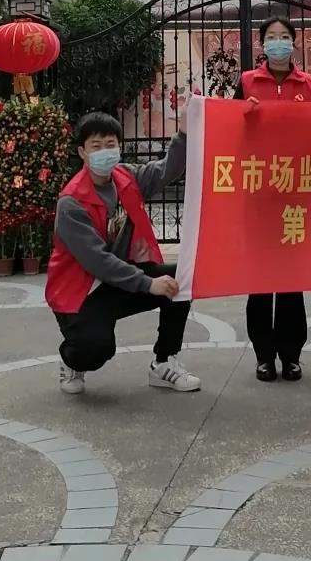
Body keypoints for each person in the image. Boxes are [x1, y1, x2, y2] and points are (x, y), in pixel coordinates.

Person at [45, 105, 200, 395]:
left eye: (110, 144)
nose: (105, 151)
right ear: (82, 152)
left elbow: (167, 170)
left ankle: (163, 362)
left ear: (119, 146)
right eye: (96, 146)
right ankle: (71, 360)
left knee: (181, 279)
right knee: (97, 349)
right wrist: (147, 283)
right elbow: (98, 261)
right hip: (83, 292)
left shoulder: (126, 177)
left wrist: (183, 133)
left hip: (119, 281)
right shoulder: (72, 203)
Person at [233, 14, 311, 382]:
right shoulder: (247, 82)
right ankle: (264, 356)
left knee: (290, 280)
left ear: (294, 43)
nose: (278, 41)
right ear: (262, 44)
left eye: (285, 36)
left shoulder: (310, 84)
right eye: (272, 36)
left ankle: (291, 355)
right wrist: (244, 116)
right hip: (259, 195)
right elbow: (229, 130)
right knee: (260, 281)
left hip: (297, 194)